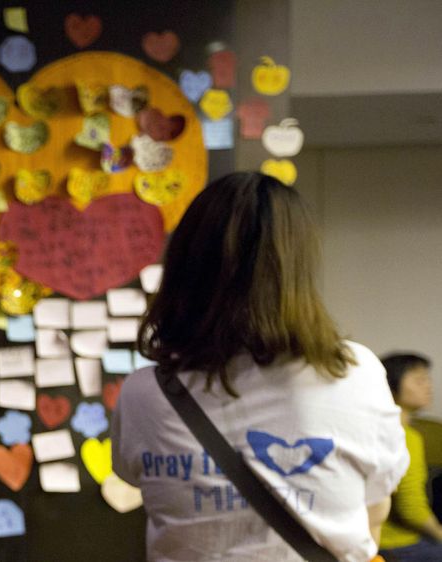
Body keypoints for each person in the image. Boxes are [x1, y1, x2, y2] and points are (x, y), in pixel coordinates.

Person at [111, 172, 408, 562]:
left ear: (184, 264)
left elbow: (133, 478)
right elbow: (376, 503)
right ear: (299, 268)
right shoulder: (354, 372)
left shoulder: (142, 393)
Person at [378, 353, 442, 561]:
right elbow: (410, 508)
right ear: (391, 385)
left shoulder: (375, 428)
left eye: (427, 379)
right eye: (418, 379)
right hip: (395, 543)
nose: (428, 386)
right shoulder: (405, 436)